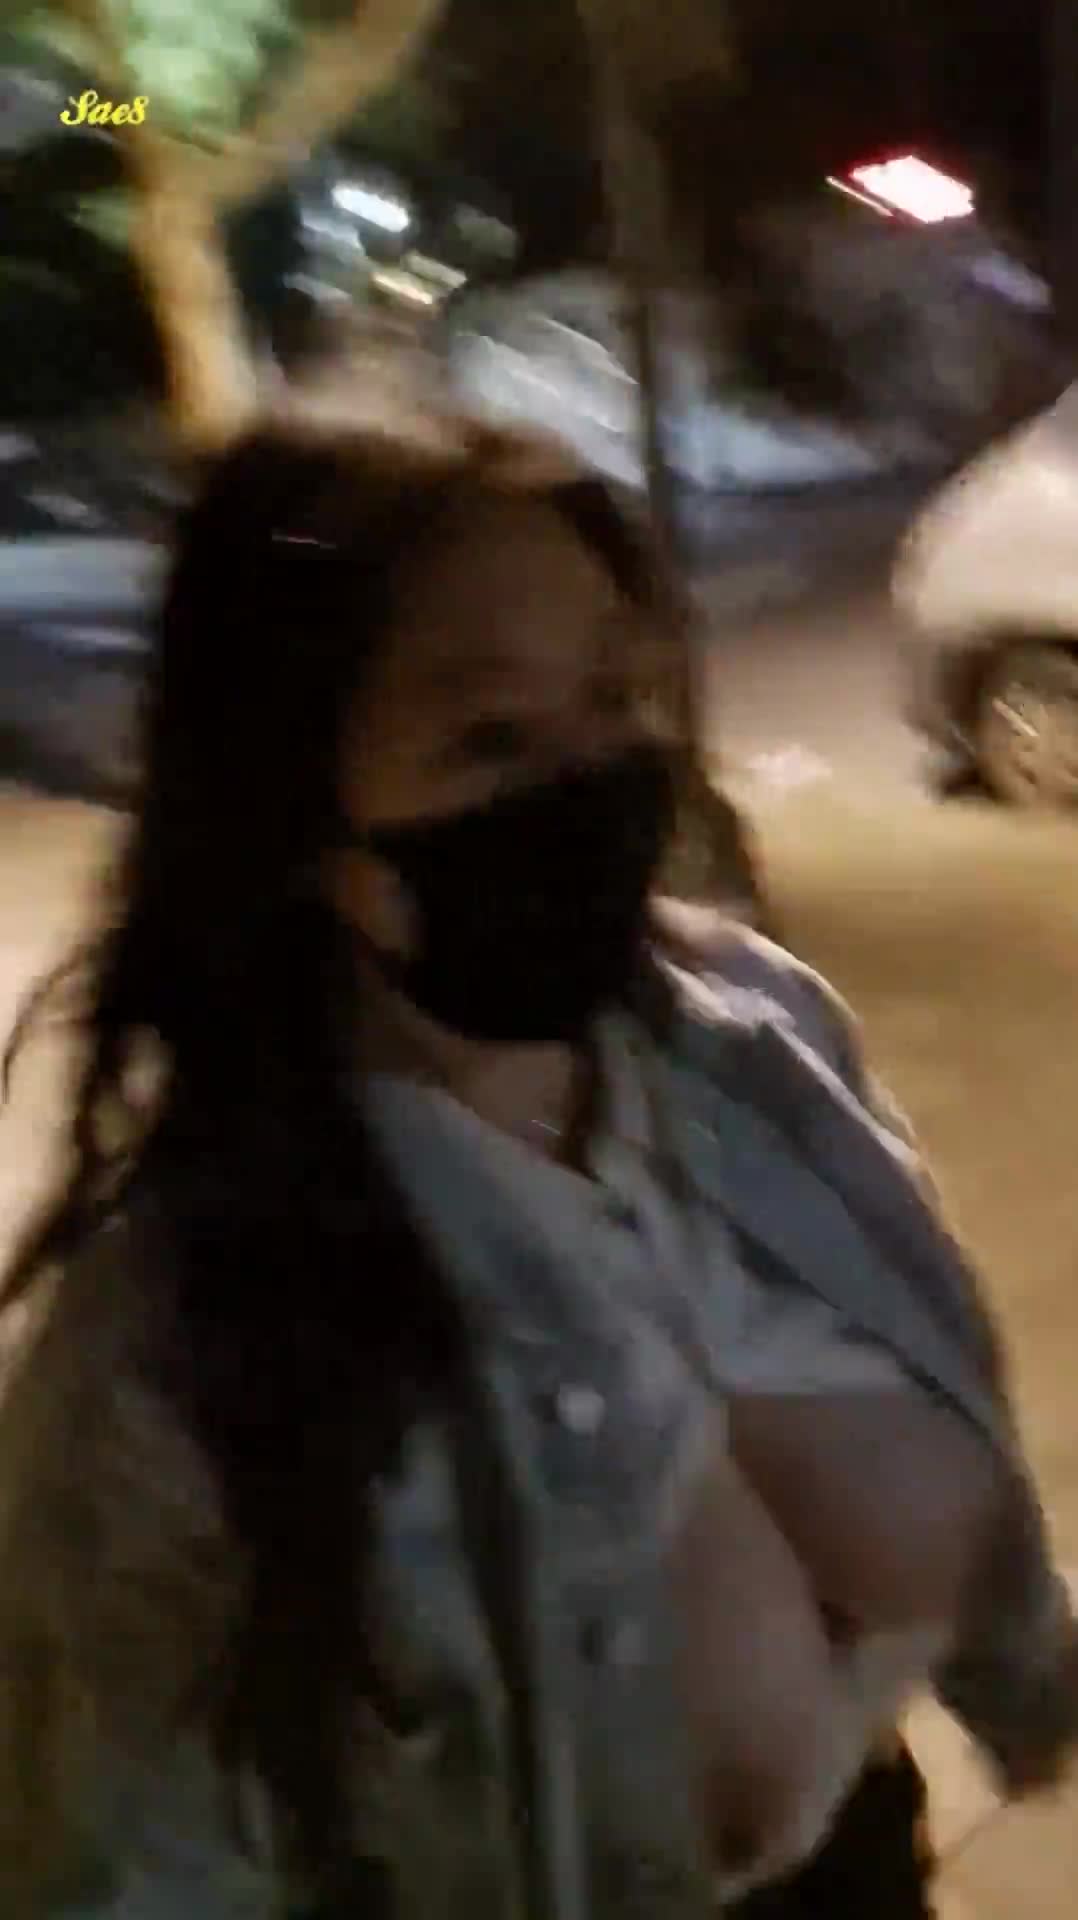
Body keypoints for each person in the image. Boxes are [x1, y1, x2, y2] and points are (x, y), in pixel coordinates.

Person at [0, 407, 1074, 1920]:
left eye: (616, 696)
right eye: (490, 737)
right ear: (291, 809)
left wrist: (1026, 1679)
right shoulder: (169, 1353)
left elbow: (932, 1380)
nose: (594, 780)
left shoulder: (753, 1043)